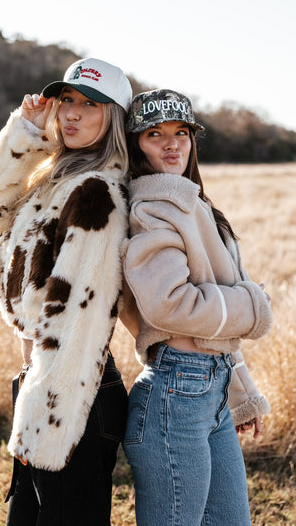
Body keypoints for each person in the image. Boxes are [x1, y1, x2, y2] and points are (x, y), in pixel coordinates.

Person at [0, 57, 133, 526]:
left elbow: (77, 320)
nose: (72, 113)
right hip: (45, 381)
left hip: (72, 388)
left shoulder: (97, 192)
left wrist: (46, 417)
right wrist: (24, 133)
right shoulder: (56, 177)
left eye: (91, 104)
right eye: (66, 100)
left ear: (114, 117)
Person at [120, 89, 273, 526]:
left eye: (182, 133)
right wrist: (254, 305)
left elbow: (213, 315)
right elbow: (170, 305)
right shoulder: (151, 207)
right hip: (175, 395)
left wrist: (240, 391)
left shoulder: (197, 205)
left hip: (212, 389)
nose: (172, 144)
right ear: (136, 146)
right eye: (155, 134)